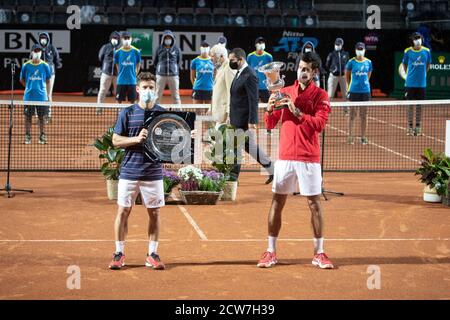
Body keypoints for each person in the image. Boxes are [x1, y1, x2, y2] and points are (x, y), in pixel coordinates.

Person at [257, 51, 334, 269]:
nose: (303, 72)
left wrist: (298, 113)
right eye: (301, 68)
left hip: (309, 157)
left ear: (314, 72)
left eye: (307, 69)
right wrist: (270, 109)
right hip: (286, 157)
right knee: (277, 203)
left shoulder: (321, 96)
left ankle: (319, 253)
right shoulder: (284, 91)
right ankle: (270, 251)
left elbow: (319, 124)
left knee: (314, 204)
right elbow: (270, 124)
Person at [109, 72, 166, 271]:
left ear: (156, 89)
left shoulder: (163, 114)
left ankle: (152, 254)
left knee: (155, 214)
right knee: (123, 212)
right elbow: (116, 141)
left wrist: (186, 137)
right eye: (145, 87)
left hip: (153, 172)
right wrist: (136, 139)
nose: (148, 91)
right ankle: (119, 253)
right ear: (138, 89)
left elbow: (172, 142)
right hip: (130, 172)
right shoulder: (127, 113)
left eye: (152, 87)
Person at [228, 48, 273, 184]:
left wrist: (252, 120)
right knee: (249, 147)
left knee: (235, 148)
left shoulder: (250, 75)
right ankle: (273, 169)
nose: (230, 62)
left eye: (232, 60)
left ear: (241, 59)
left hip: (243, 120)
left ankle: (233, 177)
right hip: (236, 118)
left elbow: (253, 100)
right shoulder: (239, 73)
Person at [20, 44, 52, 145]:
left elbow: (48, 80)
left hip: (41, 97)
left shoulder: (45, 65)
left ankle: (42, 135)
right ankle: (27, 135)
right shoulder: (26, 65)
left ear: (41, 52)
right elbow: (21, 79)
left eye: (39, 51)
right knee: (28, 117)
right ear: (32, 52)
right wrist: (29, 87)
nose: (37, 52)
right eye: (35, 50)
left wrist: (44, 91)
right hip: (28, 96)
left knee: (41, 117)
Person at [402, 32, 431, 136]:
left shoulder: (427, 51)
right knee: (410, 105)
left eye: (419, 38)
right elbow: (404, 65)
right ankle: (410, 127)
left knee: (419, 106)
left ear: (422, 39)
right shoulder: (407, 51)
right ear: (412, 40)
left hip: (421, 84)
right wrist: (409, 75)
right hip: (410, 83)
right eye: (415, 38)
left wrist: (424, 74)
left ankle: (418, 127)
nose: (417, 40)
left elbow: (428, 64)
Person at [345, 42, 372, 145]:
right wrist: (349, 86)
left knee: (364, 115)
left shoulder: (368, 62)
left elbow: (368, 74)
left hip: (365, 92)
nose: (360, 51)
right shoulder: (351, 62)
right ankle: (351, 136)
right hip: (353, 91)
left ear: (364, 50)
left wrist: (364, 84)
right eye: (358, 49)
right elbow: (347, 75)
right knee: (352, 114)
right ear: (356, 50)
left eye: (361, 49)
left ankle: (363, 137)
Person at [247, 37, 274, 135]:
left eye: (262, 42)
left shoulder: (268, 57)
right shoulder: (250, 56)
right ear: (256, 45)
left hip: (265, 87)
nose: (261, 44)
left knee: (269, 107)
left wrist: (271, 86)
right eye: (259, 43)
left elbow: (271, 72)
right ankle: (252, 123)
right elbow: (248, 72)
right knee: (253, 106)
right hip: (254, 86)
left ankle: (269, 127)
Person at [153, 30, 182, 105]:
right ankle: (154, 112)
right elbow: (155, 61)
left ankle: (179, 112)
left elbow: (178, 62)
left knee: (176, 96)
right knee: (157, 96)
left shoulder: (176, 49)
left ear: (172, 39)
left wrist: (174, 69)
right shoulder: (159, 48)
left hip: (173, 76)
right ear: (163, 39)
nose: (168, 40)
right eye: (166, 38)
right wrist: (160, 69)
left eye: (169, 38)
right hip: (160, 75)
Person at [37, 32, 62, 122]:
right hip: (38, 75)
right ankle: (39, 116)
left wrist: (58, 64)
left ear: (48, 39)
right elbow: (30, 59)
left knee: (48, 95)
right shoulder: (36, 48)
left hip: (50, 74)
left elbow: (57, 58)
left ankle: (48, 115)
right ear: (39, 39)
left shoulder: (52, 48)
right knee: (39, 95)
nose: (43, 40)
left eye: (45, 38)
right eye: (41, 38)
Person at [209, 43, 236, 124]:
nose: (211, 58)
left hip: (225, 117)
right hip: (219, 116)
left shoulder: (229, 68)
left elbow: (231, 92)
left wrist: (229, 114)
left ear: (221, 56)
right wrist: (211, 109)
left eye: (213, 56)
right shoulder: (220, 68)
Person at [96, 31, 121, 114]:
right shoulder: (105, 47)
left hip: (117, 74)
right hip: (106, 73)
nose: (115, 39)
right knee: (103, 91)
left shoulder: (120, 48)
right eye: (113, 38)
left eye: (117, 38)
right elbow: (100, 57)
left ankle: (118, 109)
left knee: (118, 92)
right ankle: (99, 109)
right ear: (110, 38)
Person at [114, 31, 141, 104]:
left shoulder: (136, 51)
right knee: (118, 100)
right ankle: (119, 114)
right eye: (124, 38)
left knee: (133, 101)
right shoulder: (117, 52)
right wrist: (119, 72)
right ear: (121, 39)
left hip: (132, 80)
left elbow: (139, 63)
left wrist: (136, 72)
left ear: (131, 39)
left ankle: (133, 115)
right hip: (121, 81)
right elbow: (116, 63)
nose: (126, 40)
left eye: (128, 38)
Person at [325, 37, 349, 114]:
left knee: (345, 94)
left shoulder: (346, 54)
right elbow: (327, 65)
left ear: (342, 45)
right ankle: (328, 110)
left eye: (339, 44)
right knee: (330, 94)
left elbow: (348, 64)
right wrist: (332, 69)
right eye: (336, 44)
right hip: (333, 76)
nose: (337, 46)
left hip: (343, 76)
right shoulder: (331, 54)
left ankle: (346, 110)